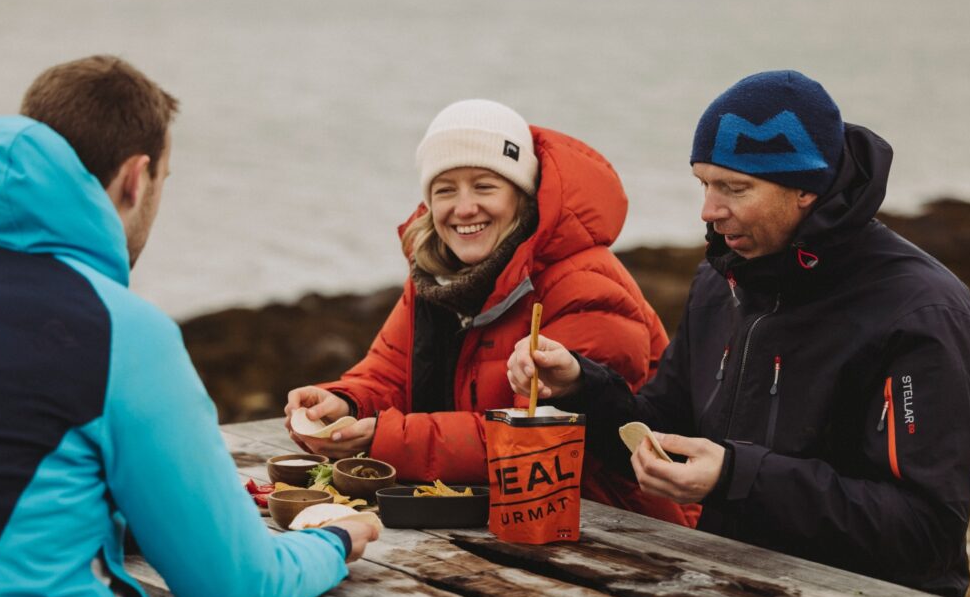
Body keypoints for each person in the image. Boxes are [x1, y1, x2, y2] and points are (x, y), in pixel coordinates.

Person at [0, 55, 378, 597]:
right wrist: (336, 539)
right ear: (136, 179)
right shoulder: (121, 334)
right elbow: (239, 591)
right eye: (163, 183)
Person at [506, 70, 970, 597]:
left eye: (734, 188)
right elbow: (664, 433)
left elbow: (926, 532)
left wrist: (736, 476)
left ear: (806, 188)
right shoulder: (721, 280)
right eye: (704, 183)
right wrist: (580, 387)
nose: (708, 210)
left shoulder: (921, 309)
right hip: (731, 592)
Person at [285, 99, 698, 527]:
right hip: (488, 516)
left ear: (523, 195)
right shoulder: (437, 277)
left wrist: (385, 439)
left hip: (616, 530)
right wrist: (344, 404)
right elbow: (388, 373)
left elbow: (535, 440)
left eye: (485, 186)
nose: (464, 209)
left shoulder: (586, 286)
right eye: (445, 190)